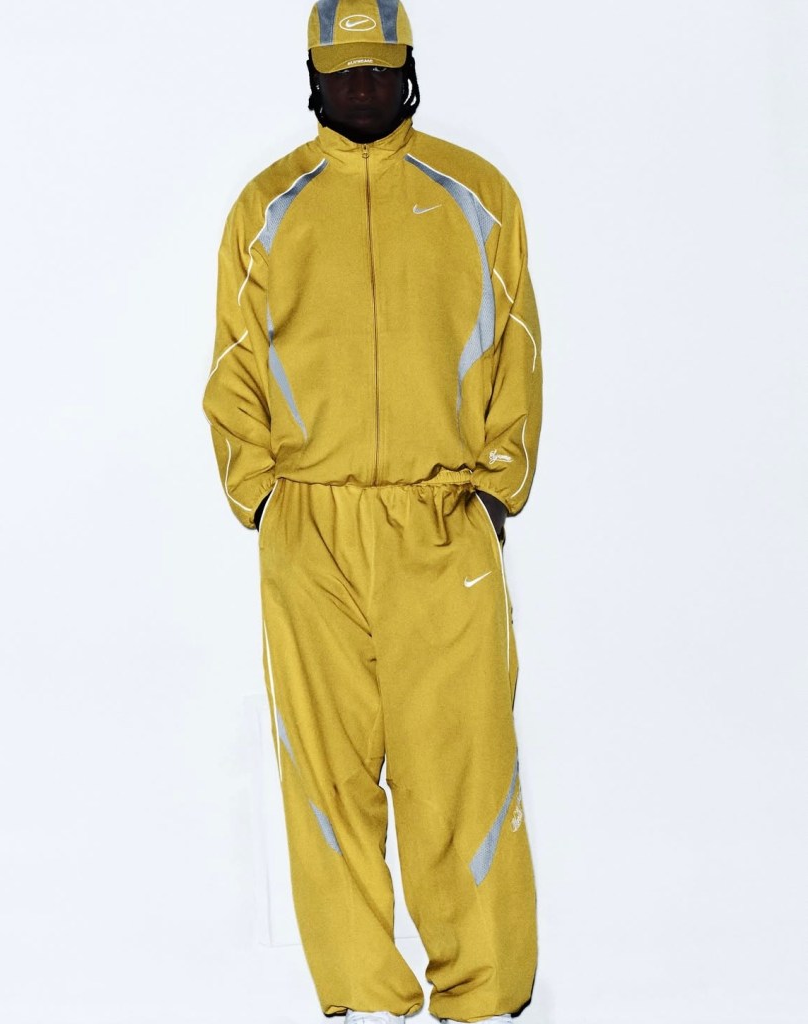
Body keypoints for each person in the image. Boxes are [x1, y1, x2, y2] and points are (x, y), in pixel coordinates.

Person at [202, 2, 543, 1021]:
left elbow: (518, 344)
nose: (362, 86)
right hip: (308, 529)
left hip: (442, 523)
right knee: (327, 777)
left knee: (462, 766)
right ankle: (360, 998)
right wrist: (261, 493)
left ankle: (483, 995)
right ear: (312, 75)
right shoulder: (266, 205)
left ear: (408, 71)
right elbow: (232, 364)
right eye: (344, 70)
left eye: (379, 68)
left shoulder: (477, 193)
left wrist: (497, 483)